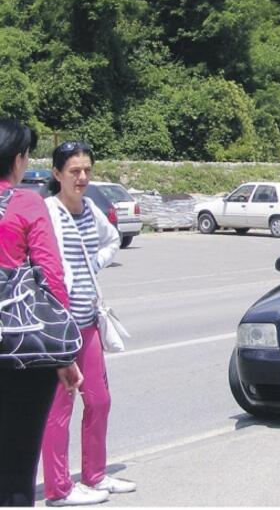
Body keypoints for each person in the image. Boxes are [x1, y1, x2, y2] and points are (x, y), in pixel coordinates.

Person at [41, 141, 135, 506]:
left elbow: (112, 239)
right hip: (58, 327)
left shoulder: (90, 208)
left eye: (87, 171)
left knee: (99, 400)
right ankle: (59, 488)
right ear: (56, 174)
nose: (82, 178)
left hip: (88, 320)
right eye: (74, 171)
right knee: (59, 409)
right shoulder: (48, 211)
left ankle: (95, 475)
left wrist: (96, 261)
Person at [0, 120, 83, 507]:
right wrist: (63, 355)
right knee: (17, 468)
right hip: (20, 347)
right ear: (18, 160)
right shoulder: (26, 202)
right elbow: (51, 274)